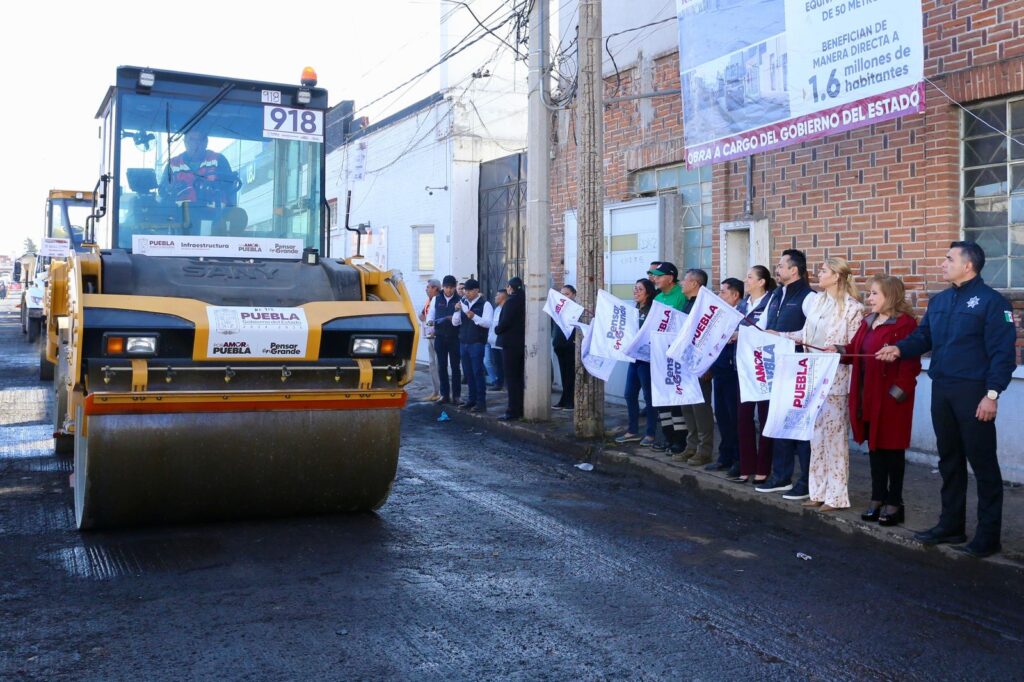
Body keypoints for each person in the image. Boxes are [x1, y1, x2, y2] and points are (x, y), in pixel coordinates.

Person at [877, 241, 1017, 558]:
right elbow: (923, 337)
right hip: (942, 389)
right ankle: (951, 525)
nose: (943, 263)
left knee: (983, 465)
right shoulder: (940, 300)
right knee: (949, 461)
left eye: (949, 259)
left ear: (968, 265)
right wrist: (899, 349)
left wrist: (992, 395)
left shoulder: (993, 303)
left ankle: (988, 536)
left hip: (974, 392)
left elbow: (1003, 354)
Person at [776, 257, 863, 511]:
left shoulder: (853, 308)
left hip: (836, 380)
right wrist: (779, 335)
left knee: (835, 438)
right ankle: (818, 491)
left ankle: (836, 496)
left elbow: (854, 347)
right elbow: (805, 335)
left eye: (824, 271)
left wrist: (838, 348)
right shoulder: (817, 302)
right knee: (816, 437)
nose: (818, 274)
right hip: (812, 377)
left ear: (837, 276)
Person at [847, 275, 921, 526]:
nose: (869, 298)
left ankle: (894, 502)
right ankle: (877, 497)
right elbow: (854, 350)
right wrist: (835, 350)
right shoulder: (868, 321)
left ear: (890, 295)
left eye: (874, 293)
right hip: (867, 395)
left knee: (892, 450)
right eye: (870, 293)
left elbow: (910, 366)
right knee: (875, 449)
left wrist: (896, 394)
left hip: (891, 399)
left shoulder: (905, 324)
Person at [755, 249, 817, 499]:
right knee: (779, 422)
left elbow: (812, 334)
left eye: (781, 266)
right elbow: (762, 326)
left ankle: (806, 481)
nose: (777, 269)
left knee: (800, 426)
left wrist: (781, 336)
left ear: (794, 270)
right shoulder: (775, 295)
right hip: (775, 368)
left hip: (799, 370)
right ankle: (781, 477)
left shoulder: (809, 297)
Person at [730, 265, 777, 485]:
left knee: (766, 418)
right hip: (743, 367)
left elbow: (767, 332)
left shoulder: (771, 302)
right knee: (743, 418)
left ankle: (763, 467)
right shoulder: (742, 304)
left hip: (765, 367)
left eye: (750, 277)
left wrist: (741, 334)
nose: (745, 280)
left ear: (761, 282)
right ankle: (746, 465)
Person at [706, 277, 746, 475]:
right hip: (719, 370)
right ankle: (725, 456)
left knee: (734, 418)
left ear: (735, 295)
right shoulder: (721, 314)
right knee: (721, 417)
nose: (719, 295)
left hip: (733, 373)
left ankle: (739, 460)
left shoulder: (742, 315)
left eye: (723, 292)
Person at [676, 269, 715, 466]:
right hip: (686, 363)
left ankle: (704, 450)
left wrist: (708, 365)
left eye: (685, 280)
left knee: (701, 409)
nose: (681, 283)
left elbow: (710, 337)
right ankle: (690, 446)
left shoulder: (705, 305)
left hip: (701, 365)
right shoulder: (687, 303)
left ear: (695, 283)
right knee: (687, 407)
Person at [648, 261, 688, 453]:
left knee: (676, 400)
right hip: (659, 356)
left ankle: (680, 441)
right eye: (654, 275)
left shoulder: (681, 295)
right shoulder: (657, 297)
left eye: (659, 276)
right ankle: (668, 438)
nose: (654, 279)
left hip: (675, 357)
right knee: (662, 399)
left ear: (670, 278)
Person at [616, 279, 659, 446]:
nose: (635, 291)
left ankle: (651, 434)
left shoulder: (653, 310)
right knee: (629, 394)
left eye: (639, 289)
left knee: (649, 397)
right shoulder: (634, 309)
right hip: (634, 359)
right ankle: (632, 431)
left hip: (647, 360)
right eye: (635, 288)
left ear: (648, 292)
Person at [162, 128, 236, 209]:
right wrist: (170, 189)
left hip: (216, 214)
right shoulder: (173, 165)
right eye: (192, 140)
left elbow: (230, 188)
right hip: (180, 215)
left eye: (200, 140)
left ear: (206, 142)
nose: (196, 144)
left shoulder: (219, 160)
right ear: (185, 142)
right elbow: (163, 192)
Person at [453, 278, 493, 413]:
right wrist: (456, 311)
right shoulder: (463, 303)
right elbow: (455, 323)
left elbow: (487, 323)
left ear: (477, 290)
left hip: (477, 342)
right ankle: (471, 399)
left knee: (477, 372)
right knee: (468, 373)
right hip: (464, 342)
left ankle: (481, 402)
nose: (467, 293)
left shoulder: (485, 304)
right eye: (465, 290)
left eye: (470, 290)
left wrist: (474, 316)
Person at [426, 275, 462, 405]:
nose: (449, 290)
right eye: (446, 287)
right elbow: (430, 315)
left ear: (454, 287)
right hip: (440, 337)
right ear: (443, 287)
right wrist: (430, 328)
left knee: (455, 367)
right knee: (441, 366)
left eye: (451, 287)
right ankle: (444, 395)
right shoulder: (437, 299)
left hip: (454, 337)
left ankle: (456, 396)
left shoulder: (460, 300)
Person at [495, 276, 526, 421]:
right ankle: (520, 408)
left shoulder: (511, 302)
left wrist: (497, 329)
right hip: (521, 343)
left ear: (510, 288)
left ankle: (513, 410)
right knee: (519, 378)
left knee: (512, 378)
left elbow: (505, 322)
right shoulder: (525, 299)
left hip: (510, 343)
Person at [552, 284, 577, 410]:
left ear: (573, 295)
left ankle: (570, 401)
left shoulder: (576, 309)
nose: (564, 296)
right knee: (564, 373)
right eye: (562, 294)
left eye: (567, 294)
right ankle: (564, 399)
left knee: (570, 374)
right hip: (559, 344)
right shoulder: (559, 308)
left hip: (570, 346)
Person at [419, 279, 442, 402]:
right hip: (429, 336)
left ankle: (441, 392)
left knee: (438, 364)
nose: (426, 289)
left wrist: (433, 329)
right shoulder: (429, 300)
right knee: (432, 364)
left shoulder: (439, 300)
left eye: (428, 287)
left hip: (437, 336)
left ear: (435, 288)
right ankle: (435, 391)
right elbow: (424, 315)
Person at [487, 290, 507, 391]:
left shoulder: (507, 309)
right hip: (493, 342)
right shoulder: (496, 309)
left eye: (497, 295)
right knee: (497, 364)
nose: (495, 297)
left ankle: (506, 384)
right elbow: (492, 325)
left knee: (505, 364)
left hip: (502, 342)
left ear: (503, 296)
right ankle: (499, 383)